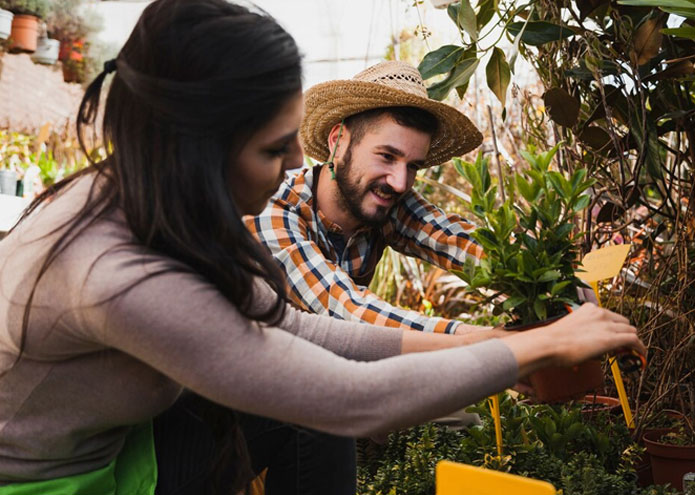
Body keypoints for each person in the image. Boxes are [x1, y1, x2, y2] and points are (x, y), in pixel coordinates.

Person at [0, 1, 645, 494]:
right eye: (271, 147)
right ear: (198, 145)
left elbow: (302, 331)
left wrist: (542, 304)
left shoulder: (160, 203)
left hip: (120, 453)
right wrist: (534, 347)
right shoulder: (120, 271)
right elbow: (348, 395)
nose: (290, 163)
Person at [246, 60, 507, 338]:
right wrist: (482, 339)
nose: (399, 182)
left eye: (413, 166)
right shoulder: (273, 208)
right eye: (386, 156)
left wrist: (541, 272)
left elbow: (456, 241)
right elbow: (345, 308)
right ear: (338, 141)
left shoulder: (387, 200)